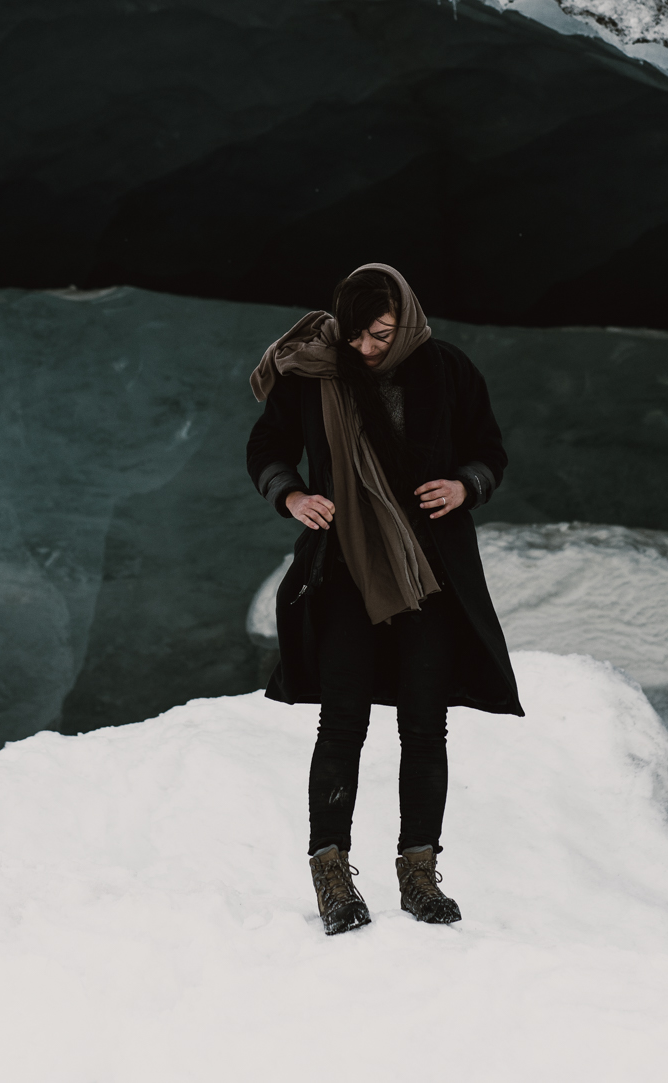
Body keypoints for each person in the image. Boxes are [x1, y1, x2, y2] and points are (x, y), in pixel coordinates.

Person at [246, 263, 523, 935]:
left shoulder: (448, 370)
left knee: (425, 725)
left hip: (429, 570)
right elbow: (266, 446)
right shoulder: (313, 374)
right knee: (343, 723)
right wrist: (293, 494)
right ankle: (333, 877)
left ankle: (419, 876)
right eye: (361, 334)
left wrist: (465, 486)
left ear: (408, 322)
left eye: (383, 334)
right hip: (344, 568)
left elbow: (490, 450)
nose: (369, 348)